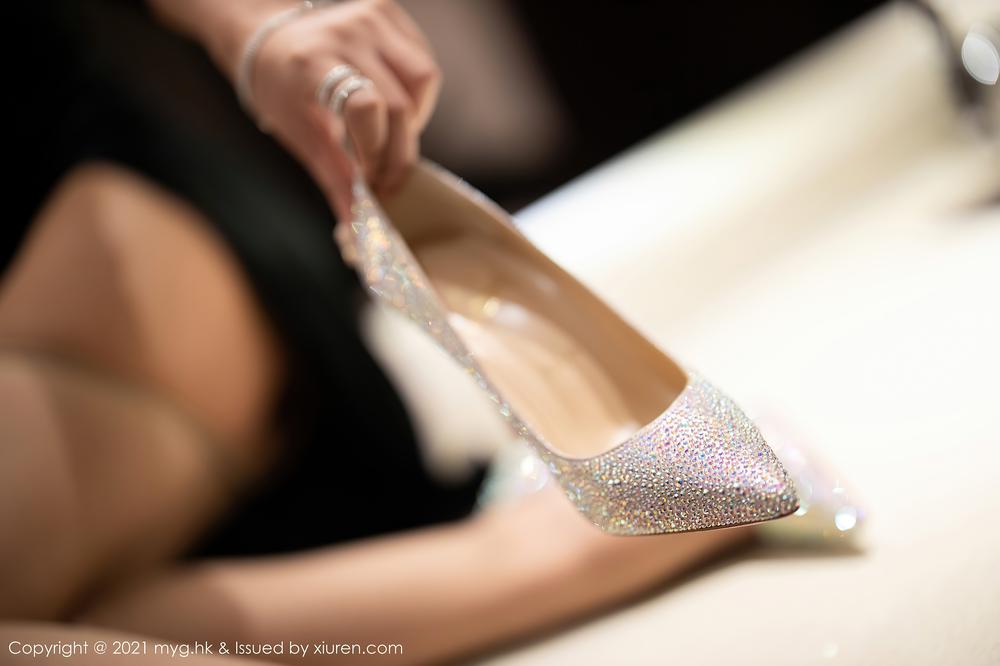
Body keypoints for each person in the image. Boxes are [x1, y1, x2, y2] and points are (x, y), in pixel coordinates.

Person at [1, 1, 750, 662]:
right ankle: (535, 552)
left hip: (88, 263)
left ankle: (541, 554)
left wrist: (256, 22)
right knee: (74, 633)